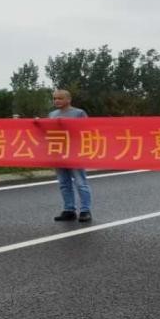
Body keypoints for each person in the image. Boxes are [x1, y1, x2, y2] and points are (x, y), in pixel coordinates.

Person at [49, 89, 93, 223]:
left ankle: (85, 210)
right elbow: (48, 132)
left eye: (60, 98)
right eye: (55, 98)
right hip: (58, 153)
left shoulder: (79, 113)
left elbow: (88, 131)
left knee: (80, 183)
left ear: (68, 99)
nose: (56, 101)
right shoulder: (52, 114)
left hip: (74, 152)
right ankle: (69, 210)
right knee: (63, 183)